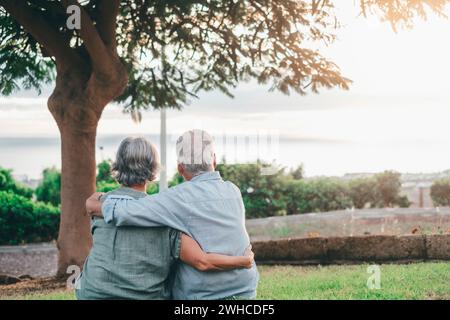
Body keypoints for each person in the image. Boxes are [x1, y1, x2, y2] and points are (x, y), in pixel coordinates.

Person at [87, 129, 259, 300]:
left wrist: (95, 203)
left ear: (180, 168)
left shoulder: (173, 199)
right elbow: (205, 257)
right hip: (246, 288)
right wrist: (244, 261)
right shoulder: (233, 190)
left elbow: (124, 211)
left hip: (201, 295)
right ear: (214, 159)